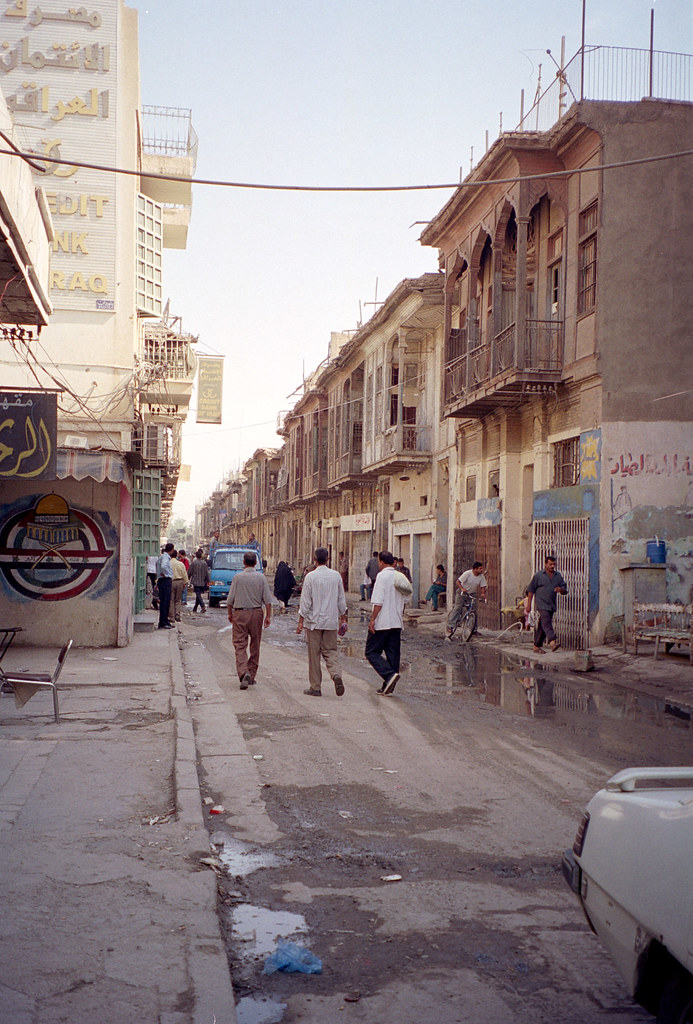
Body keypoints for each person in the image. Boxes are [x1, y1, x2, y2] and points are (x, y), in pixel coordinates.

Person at [296, 547, 348, 697]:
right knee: (331, 651)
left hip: (314, 622)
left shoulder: (310, 577)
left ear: (314, 559)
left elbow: (305, 602)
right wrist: (342, 617)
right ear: (328, 559)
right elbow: (341, 599)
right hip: (331, 621)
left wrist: (300, 621)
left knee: (314, 655)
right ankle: (336, 674)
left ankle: (315, 687)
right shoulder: (336, 576)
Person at [227, 551, 273, 689]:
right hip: (256, 613)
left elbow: (230, 600)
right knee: (255, 644)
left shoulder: (237, 577)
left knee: (240, 644)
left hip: (240, 613)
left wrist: (230, 614)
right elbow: (268, 600)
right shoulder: (261, 577)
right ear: (256, 563)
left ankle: (243, 672)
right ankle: (251, 675)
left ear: (243, 562)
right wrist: (268, 616)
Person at [366, 551, 409, 695]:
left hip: (383, 621)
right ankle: (388, 685)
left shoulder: (382, 576)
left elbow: (378, 601)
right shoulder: (400, 576)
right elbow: (407, 598)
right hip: (396, 621)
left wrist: (372, 619)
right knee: (393, 653)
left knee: (371, 652)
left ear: (382, 562)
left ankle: (389, 675)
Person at [525, 553, 568, 653]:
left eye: (553, 564)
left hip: (551, 604)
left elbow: (565, 589)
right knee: (547, 622)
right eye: (550, 564)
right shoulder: (538, 576)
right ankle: (552, 642)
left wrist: (560, 589)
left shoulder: (558, 576)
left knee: (542, 625)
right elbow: (530, 590)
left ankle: (536, 646)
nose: (552, 566)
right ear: (545, 564)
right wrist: (529, 605)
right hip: (541, 603)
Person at [447, 561, 487, 639]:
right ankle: (450, 626)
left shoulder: (481, 577)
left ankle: (473, 630)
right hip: (462, 593)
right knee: (457, 607)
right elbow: (458, 582)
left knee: (474, 610)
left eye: (482, 568)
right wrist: (462, 588)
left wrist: (483, 593)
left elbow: (483, 586)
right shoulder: (468, 573)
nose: (482, 570)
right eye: (480, 568)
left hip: (472, 593)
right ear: (475, 569)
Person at [156, 543, 175, 629]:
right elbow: (163, 566)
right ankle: (163, 622)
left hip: (162, 580)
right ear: (172, 550)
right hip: (165, 580)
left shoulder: (163, 557)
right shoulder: (165, 557)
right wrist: (166, 574)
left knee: (166, 601)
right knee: (165, 602)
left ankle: (165, 620)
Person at [189, 548, 210, 613]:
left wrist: (188, 577)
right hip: (202, 581)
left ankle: (202, 606)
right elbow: (207, 573)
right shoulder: (204, 563)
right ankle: (195, 608)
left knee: (198, 594)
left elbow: (190, 572)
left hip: (195, 581)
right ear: (201, 556)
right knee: (198, 594)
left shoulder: (194, 563)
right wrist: (208, 580)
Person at [170, 551, 189, 622]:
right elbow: (184, 574)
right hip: (180, 582)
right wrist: (185, 583)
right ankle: (177, 615)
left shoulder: (168, 563)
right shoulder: (180, 564)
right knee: (178, 600)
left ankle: (171, 617)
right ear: (176, 555)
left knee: (171, 600)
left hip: (171, 582)